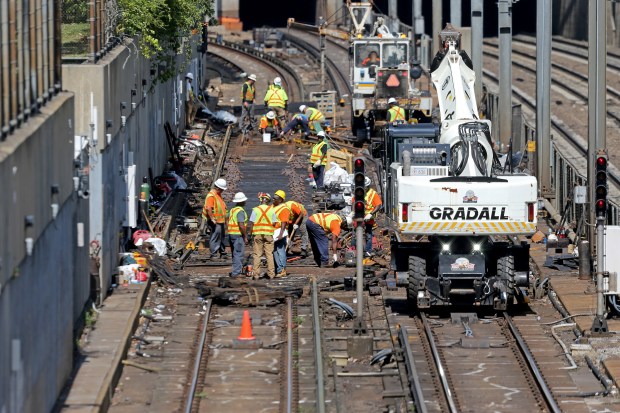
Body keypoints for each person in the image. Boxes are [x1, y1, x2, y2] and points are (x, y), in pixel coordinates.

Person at [246, 192, 282, 279]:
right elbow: (274, 223)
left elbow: (251, 223)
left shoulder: (255, 209)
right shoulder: (272, 210)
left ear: (261, 200)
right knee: (269, 254)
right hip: (268, 234)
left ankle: (256, 274)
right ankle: (271, 274)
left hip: (257, 234)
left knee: (257, 254)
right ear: (268, 201)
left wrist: (249, 234)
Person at [350, 177, 383, 256]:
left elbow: (378, 205)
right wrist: (352, 212)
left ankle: (368, 251)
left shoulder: (373, 194)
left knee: (368, 234)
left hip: (368, 217)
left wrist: (371, 214)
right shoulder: (358, 192)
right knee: (355, 233)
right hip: (359, 215)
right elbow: (354, 202)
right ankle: (354, 249)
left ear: (368, 186)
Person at [201, 178, 228, 259]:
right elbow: (208, 208)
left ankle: (222, 252)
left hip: (220, 221)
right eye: (222, 189)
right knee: (215, 237)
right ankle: (214, 254)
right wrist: (212, 218)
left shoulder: (218, 195)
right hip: (215, 221)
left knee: (221, 236)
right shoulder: (211, 196)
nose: (223, 191)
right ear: (218, 188)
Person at [228, 192, 249, 277]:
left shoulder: (233, 210)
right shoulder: (240, 211)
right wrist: (245, 236)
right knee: (238, 253)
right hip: (238, 234)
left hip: (231, 233)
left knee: (234, 253)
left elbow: (227, 220)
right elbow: (241, 225)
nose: (245, 202)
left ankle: (236, 270)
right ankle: (236, 273)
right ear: (241, 201)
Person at [272, 190, 291, 277]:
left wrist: (281, 234)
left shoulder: (284, 209)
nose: (273, 199)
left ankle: (282, 269)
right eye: (273, 198)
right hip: (274, 232)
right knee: (275, 251)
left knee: (280, 250)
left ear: (280, 200)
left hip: (279, 232)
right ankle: (279, 269)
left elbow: (284, 222)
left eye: (275, 198)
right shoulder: (273, 206)